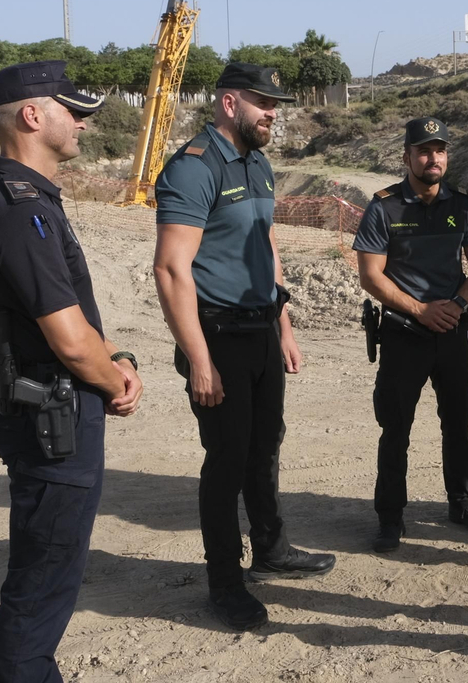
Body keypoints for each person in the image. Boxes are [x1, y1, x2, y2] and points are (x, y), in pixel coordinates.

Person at [0, 60, 144, 683]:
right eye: (74, 111)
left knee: (45, 575)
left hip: (48, 408)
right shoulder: (18, 208)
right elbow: (67, 340)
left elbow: (69, 319)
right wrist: (114, 379)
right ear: (33, 117)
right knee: (42, 584)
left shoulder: (15, 197)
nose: (84, 124)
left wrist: (114, 354)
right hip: (51, 419)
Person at [153, 62, 335, 632]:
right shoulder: (193, 169)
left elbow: (268, 243)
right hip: (219, 336)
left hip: (260, 328)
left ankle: (272, 547)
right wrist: (200, 359)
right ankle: (225, 584)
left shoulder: (257, 164)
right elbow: (170, 268)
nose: (274, 112)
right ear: (230, 104)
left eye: (276, 103)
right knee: (227, 460)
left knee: (265, 447)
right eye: (264, 103)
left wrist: (283, 324)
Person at [352, 117, 468, 553]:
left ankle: (460, 499)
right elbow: (371, 276)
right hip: (403, 333)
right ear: (407, 157)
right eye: (425, 151)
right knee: (395, 428)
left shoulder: (464, 205)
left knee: (458, 422)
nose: (434, 158)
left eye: (441, 150)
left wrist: (458, 306)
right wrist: (420, 310)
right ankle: (390, 517)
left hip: (452, 331)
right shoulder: (384, 207)